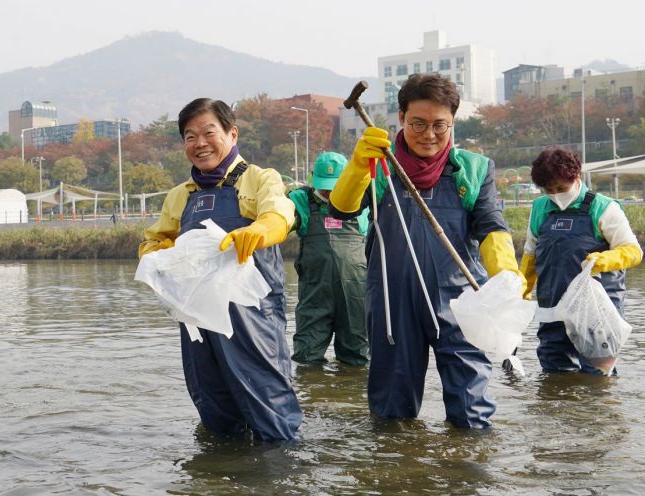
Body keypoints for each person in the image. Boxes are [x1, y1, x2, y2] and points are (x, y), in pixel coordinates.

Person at [329, 73, 524, 429]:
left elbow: (491, 226)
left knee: (471, 408)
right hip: (392, 301)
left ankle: (465, 474)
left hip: (461, 301)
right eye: (418, 123)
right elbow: (341, 210)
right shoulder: (378, 162)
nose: (429, 135)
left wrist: (506, 275)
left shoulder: (474, 169)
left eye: (440, 125)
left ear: (453, 122)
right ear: (401, 117)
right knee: (392, 409)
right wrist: (358, 164)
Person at [138, 98, 302, 441]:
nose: (199, 144)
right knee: (212, 405)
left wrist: (261, 229)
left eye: (208, 132)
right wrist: (155, 256)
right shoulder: (180, 195)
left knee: (268, 404)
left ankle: (281, 475)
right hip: (197, 319)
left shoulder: (259, 179)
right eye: (189, 136)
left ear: (231, 133)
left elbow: (280, 213)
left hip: (252, 317)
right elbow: (157, 238)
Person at [520, 147, 642, 374]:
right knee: (554, 372)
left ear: (575, 177)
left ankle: (597, 410)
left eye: (561, 188)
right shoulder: (539, 208)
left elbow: (633, 251)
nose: (556, 194)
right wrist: (522, 288)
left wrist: (605, 259)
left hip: (596, 310)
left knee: (598, 375)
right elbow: (531, 253)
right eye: (549, 190)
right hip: (552, 306)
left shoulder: (604, 207)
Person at [288, 151, 370, 366]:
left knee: (357, 360)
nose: (328, 190)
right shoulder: (299, 200)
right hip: (315, 295)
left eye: (335, 185)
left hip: (355, 297)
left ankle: (349, 398)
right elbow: (278, 218)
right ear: (313, 176)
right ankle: (312, 397)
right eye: (324, 184)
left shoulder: (364, 202)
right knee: (306, 358)